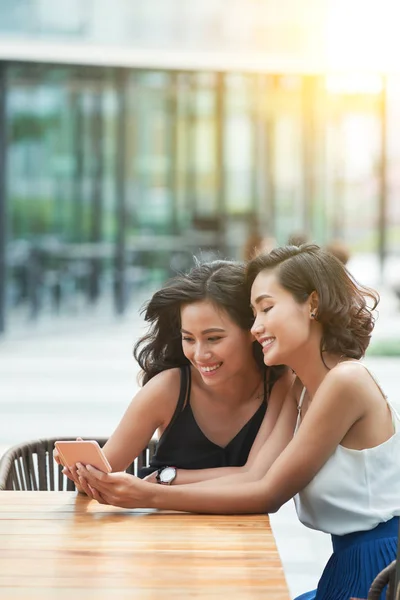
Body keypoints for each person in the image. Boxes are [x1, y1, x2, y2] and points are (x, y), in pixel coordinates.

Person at [77, 244, 400, 600]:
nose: (256, 327)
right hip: (348, 565)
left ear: (311, 304)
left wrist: (149, 494)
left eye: (266, 309)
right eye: (253, 314)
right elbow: (255, 474)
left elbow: (268, 493)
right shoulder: (300, 388)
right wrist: (165, 482)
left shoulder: (346, 382)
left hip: (383, 569)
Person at [57, 260, 290, 489]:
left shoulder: (280, 385)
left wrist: (166, 478)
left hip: (242, 526)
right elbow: (102, 479)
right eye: (188, 338)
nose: (199, 354)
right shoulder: (168, 389)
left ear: (253, 328)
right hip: (158, 524)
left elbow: (258, 476)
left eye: (213, 338)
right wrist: (85, 473)